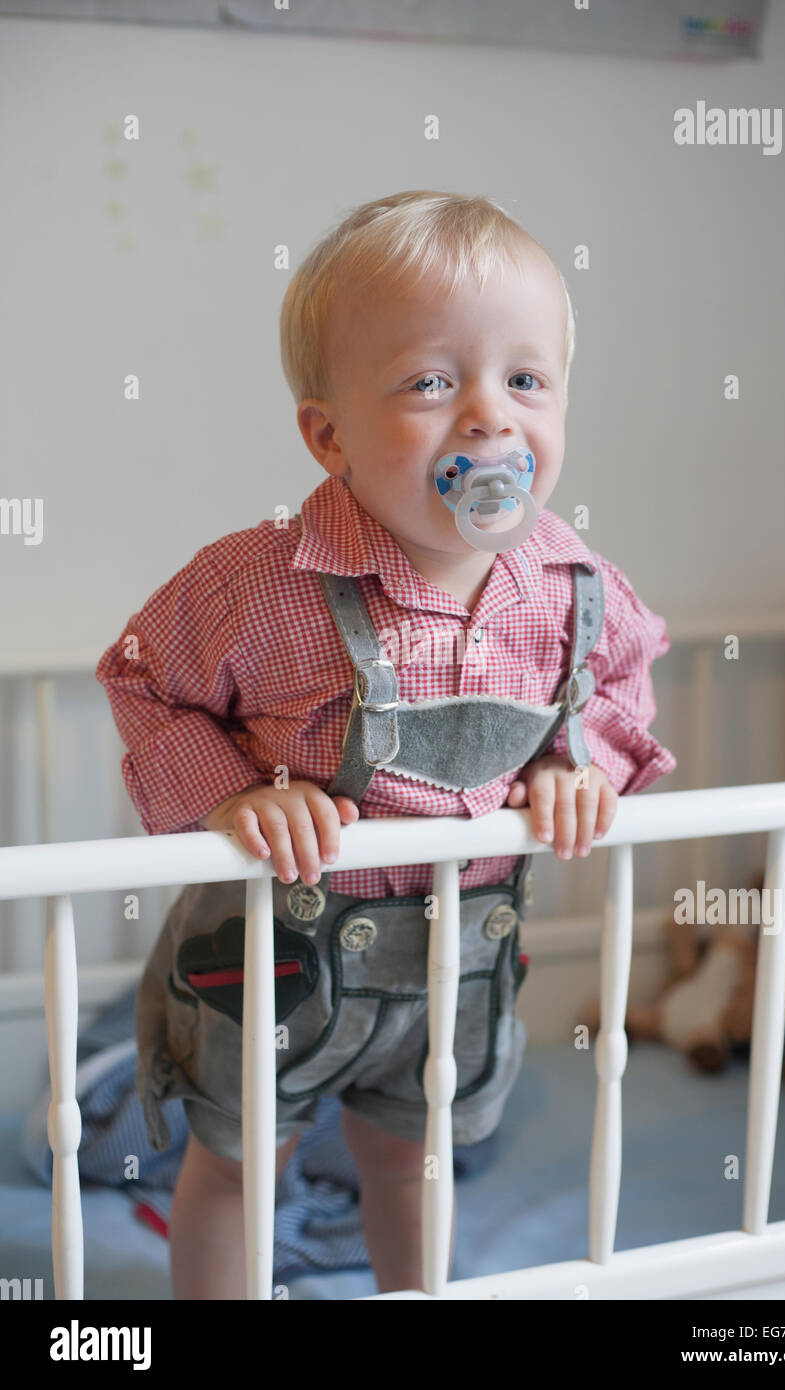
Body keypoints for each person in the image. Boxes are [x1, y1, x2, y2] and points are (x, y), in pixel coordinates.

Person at [96, 189, 676, 1299]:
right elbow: (138, 677)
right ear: (327, 434)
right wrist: (231, 797)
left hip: (454, 964)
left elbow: (619, 682)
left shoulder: (573, 584)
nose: (487, 419)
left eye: (524, 379)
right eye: (429, 381)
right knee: (236, 1164)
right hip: (279, 953)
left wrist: (575, 765)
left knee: (412, 1164)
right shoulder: (257, 581)